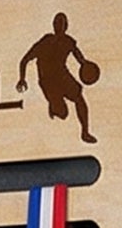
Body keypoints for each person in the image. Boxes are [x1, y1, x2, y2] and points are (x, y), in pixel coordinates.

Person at [17, 14, 97, 144]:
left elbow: (79, 56)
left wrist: (84, 64)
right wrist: (22, 79)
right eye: (57, 22)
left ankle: (85, 132)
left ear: (66, 26)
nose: (60, 26)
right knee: (63, 114)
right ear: (53, 25)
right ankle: (54, 106)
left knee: (79, 96)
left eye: (62, 23)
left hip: (62, 76)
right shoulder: (45, 41)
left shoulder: (68, 41)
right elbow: (24, 60)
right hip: (47, 81)